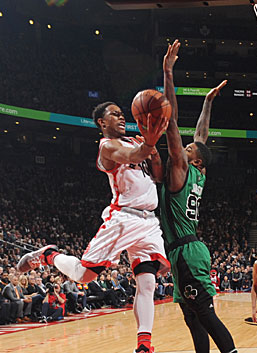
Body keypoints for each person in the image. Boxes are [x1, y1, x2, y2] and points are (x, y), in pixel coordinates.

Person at [17, 77, 170, 352]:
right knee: (84, 275)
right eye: (115, 114)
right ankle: (49, 255)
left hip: (149, 222)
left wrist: (155, 154)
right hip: (123, 218)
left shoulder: (137, 140)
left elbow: (157, 175)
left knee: (147, 281)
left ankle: (144, 345)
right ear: (102, 123)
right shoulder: (107, 146)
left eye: (123, 114)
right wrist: (149, 143)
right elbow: (134, 155)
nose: (122, 117)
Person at [158, 39, 236, 353]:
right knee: (192, 318)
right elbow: (201, 135)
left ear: (195, 160)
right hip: (184, 250)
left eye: (188, 148)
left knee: (204, 313)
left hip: (187, 252)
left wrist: (168, 73)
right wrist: (207, 101)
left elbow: (171, 121)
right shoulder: (197, 171)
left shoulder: (181, 167)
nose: (185, 146)